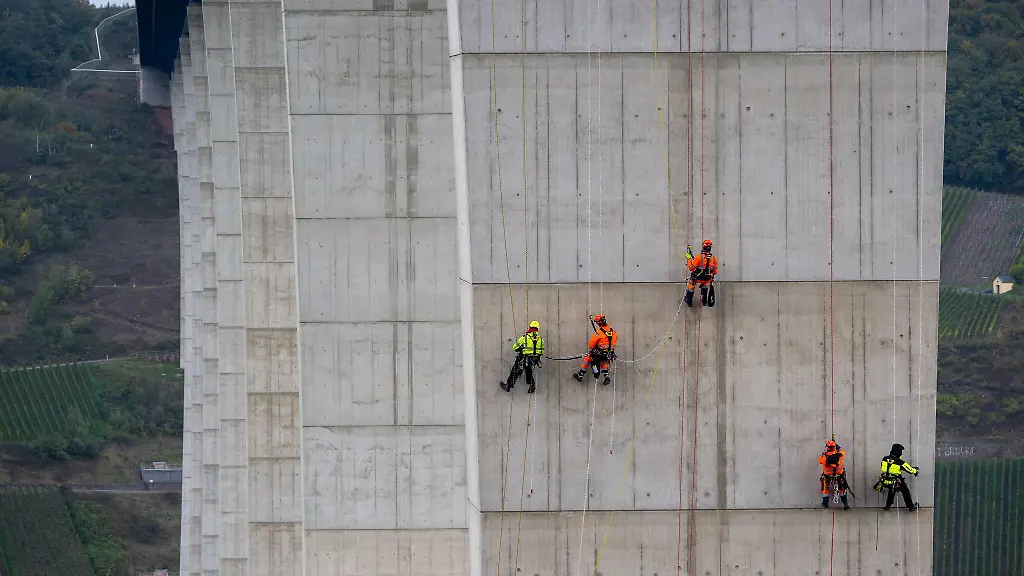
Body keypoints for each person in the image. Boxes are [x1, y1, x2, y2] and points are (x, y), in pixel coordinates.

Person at [500, 320, 545, 394]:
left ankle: (508, 386)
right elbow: (541, 352)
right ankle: (531, 384)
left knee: (515, 371)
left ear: (530, 327)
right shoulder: (541, 340)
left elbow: (515, 347)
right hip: (534, 360)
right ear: (537, 329)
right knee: (528, 369)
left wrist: (521, 349)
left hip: (524, 359)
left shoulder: (525, 338)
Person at [572, 314, 618, 386]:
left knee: (588, 358)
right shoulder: (613, 331)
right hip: (609, 354)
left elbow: (591, 345)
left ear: (599, 323)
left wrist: (597, 346)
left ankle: (580, 375)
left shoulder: (598, 333)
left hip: (600, 354)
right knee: (603, 361)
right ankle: (606, 376)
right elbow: (613, 342)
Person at [873, 443, 919, 511]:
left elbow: (885, 468)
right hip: (896, 481)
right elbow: (910, 470)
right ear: (899, 452)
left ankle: (887, 506)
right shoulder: (900, 462)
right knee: (905, 491)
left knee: (892, 490)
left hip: (885, 481)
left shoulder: (885, 459)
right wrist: (916, 471)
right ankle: (911, 507)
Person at [684, 239, 718, 308]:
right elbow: (715, 271)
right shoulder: (714, 258)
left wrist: (689, 259)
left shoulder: (699, 257)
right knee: (705, 284)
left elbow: (691, 268)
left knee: (691, 284)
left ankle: (689, 301)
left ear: (703, 247)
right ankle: (704, 301)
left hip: (698, 278)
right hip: (708, 278)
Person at [818, 438, 850, 510]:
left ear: (827, 448)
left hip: (827, 476)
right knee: (842, 489)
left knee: (825, 489)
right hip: (839, 475)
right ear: (835, 447)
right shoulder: (840, 455)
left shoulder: (824, 457)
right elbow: (842, 451)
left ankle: (825, 503)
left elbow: (819, 461)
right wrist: (836, 445)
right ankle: (845, 503)